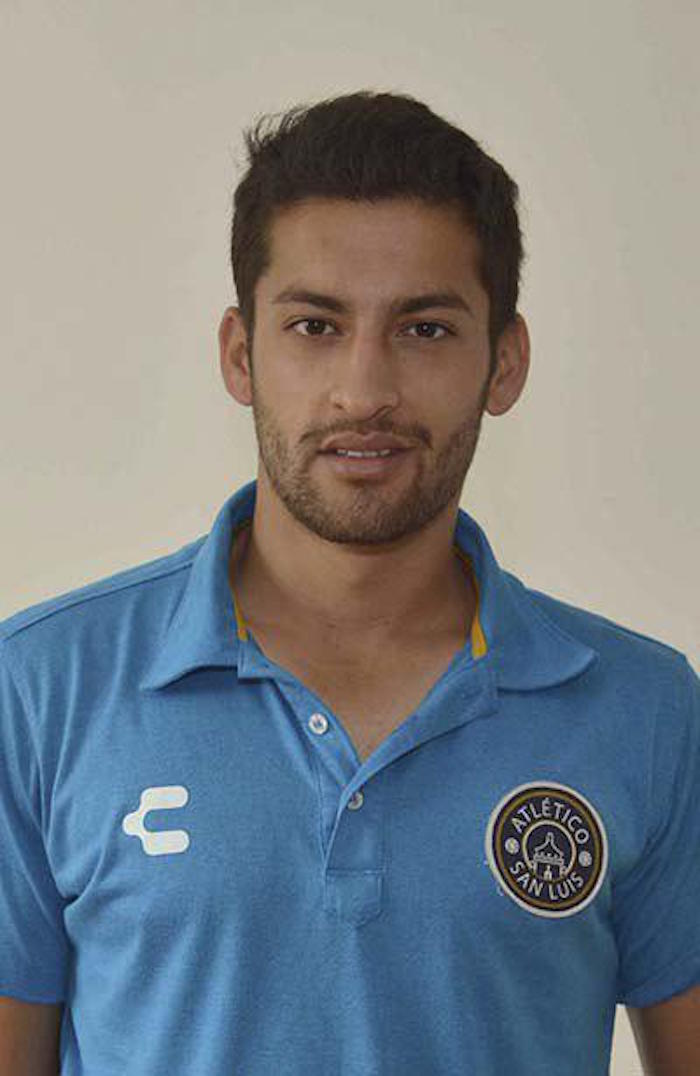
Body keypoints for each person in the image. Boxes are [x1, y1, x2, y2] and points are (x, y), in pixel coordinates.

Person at [0, 89, 698, 1076]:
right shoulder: (40, 690)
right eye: (315, 325)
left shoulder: (645, 710)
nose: (364, 391)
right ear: (240, 354)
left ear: (504, 363)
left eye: (425, 329)